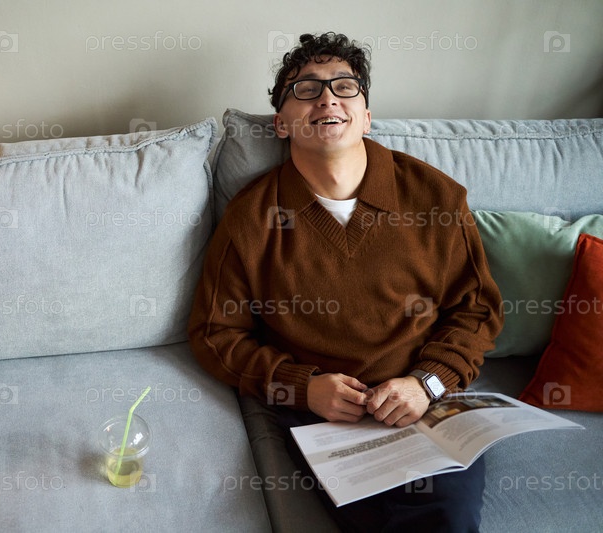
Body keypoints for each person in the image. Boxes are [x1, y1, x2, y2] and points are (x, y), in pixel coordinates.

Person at [187, 32, 503, 532]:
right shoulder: (251, 218)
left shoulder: (436, 196)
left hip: (424, 398)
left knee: (448, 517)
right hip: (321, 415)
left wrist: (427, 382)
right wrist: (302, 387)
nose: (328, 98)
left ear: (366, 116)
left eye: (344, 86)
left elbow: (477, 310)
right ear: (281, 123)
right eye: (306, 89)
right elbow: (214, 334)